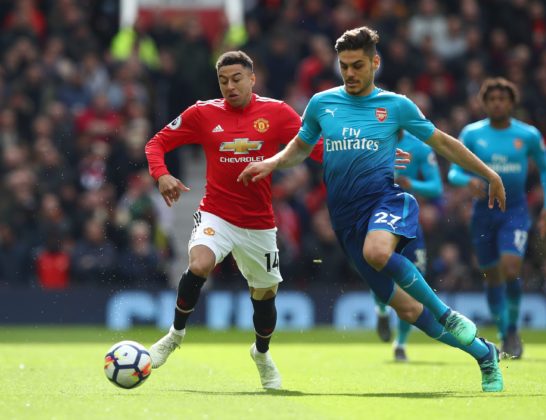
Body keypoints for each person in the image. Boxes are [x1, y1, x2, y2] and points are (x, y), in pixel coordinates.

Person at [239, 27, 506, 392]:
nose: (349, 73)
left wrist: (489, 173)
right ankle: (484, 354)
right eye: (344, 65)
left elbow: (443, 142)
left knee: (377, 252)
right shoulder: (321, 104)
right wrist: (271, 163)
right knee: (409, 311)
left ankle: (448, 314)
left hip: (386, 201)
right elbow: (300, 148)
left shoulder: (396, 106)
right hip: (345, 221)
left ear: (375, 63)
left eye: (358, 65)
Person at [144, 51, 301, 390]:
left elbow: (314, 147)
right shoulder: (203, 113)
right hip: (216, 213)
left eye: (236, 79)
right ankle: (174, 336)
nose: (230, 86)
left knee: (265, 295)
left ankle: (261, 354)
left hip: (259, 223)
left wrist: (370, 159)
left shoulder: (278, 112)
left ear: (252, 79)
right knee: (199, 263)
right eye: (223, 81)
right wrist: (161, 174)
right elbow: (156, 144)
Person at [311, 131, 443, 362]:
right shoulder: (368, 138)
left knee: (414, 283)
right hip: (376, 220)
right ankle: (381, 309)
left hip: (406, 220)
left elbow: (436, 187)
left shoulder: (419, 147)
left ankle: (400, 343)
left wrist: (411, 184)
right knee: (379, 267)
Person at [448, 77, 546, 359]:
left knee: (510, 267)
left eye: (502, 99)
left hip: (514, 211)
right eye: (492, 99)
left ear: (511, 103)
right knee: (492, 275)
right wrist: (467, 181)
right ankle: (502, 330)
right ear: (484, 103)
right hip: (483, 213)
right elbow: (453, 171)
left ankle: (511, 331)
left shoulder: (527, 135)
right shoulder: (472, 134)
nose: (497, 104)